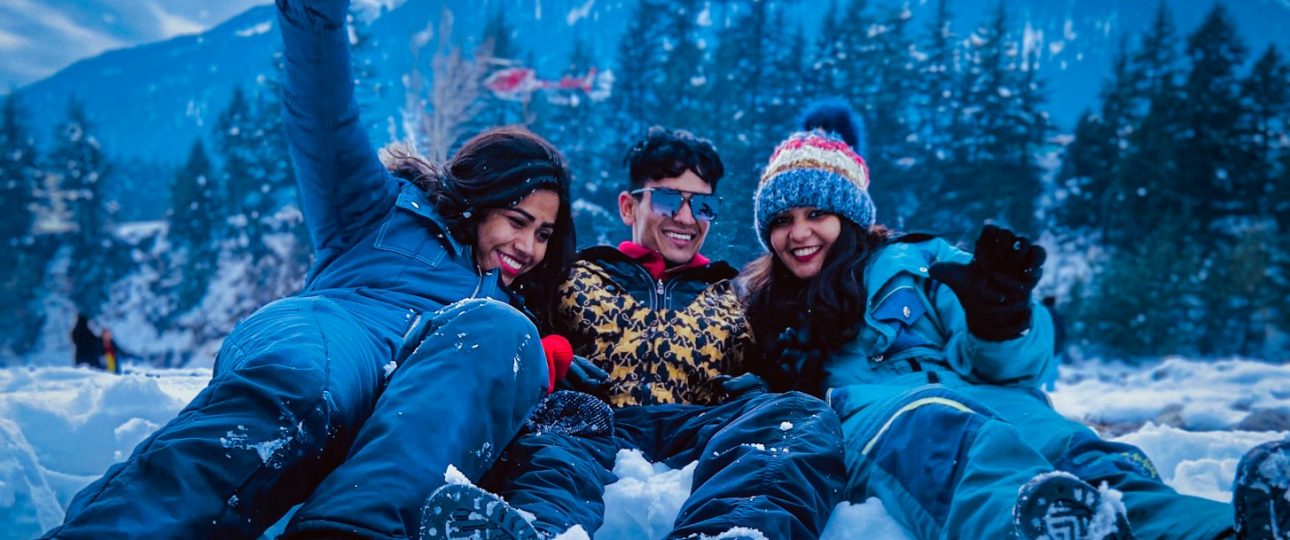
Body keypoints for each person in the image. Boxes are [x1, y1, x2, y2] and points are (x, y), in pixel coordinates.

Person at [43, 0, 577, 538]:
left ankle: (349, 529)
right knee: (302, 393)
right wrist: (314, 15)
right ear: (481, 198)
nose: (528, 246)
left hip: (427, 389)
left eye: (544, 234)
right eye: (517, 220)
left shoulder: (508, 316)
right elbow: (322, 115)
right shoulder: (379, 210)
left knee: (501, 330)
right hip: (339, 330)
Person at [741, 103, 1290, 540]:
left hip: (993, 399)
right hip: (883, 416)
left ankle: (1225, 531)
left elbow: (1021, 369)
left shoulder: (919, 259)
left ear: (851, 216)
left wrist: (1001, 320)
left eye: (817, 214)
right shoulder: (763, 302)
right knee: (957, 445)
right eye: (784, 220)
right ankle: (1043, 531)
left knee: (1089, 456)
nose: (800, 233)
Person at [422, 127, 845, 539]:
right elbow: (516, 326)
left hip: (698, 425)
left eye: (702, 206)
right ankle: (538, 529)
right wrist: (551, 354)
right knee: (551, 449)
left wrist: (762, 386)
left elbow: (789, 360)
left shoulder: (739, 295)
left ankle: (733, 531)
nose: (686, 217)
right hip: (595, 421)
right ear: (628, 207)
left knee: (800, 417)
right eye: (667, 199)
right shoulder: (571, 275)